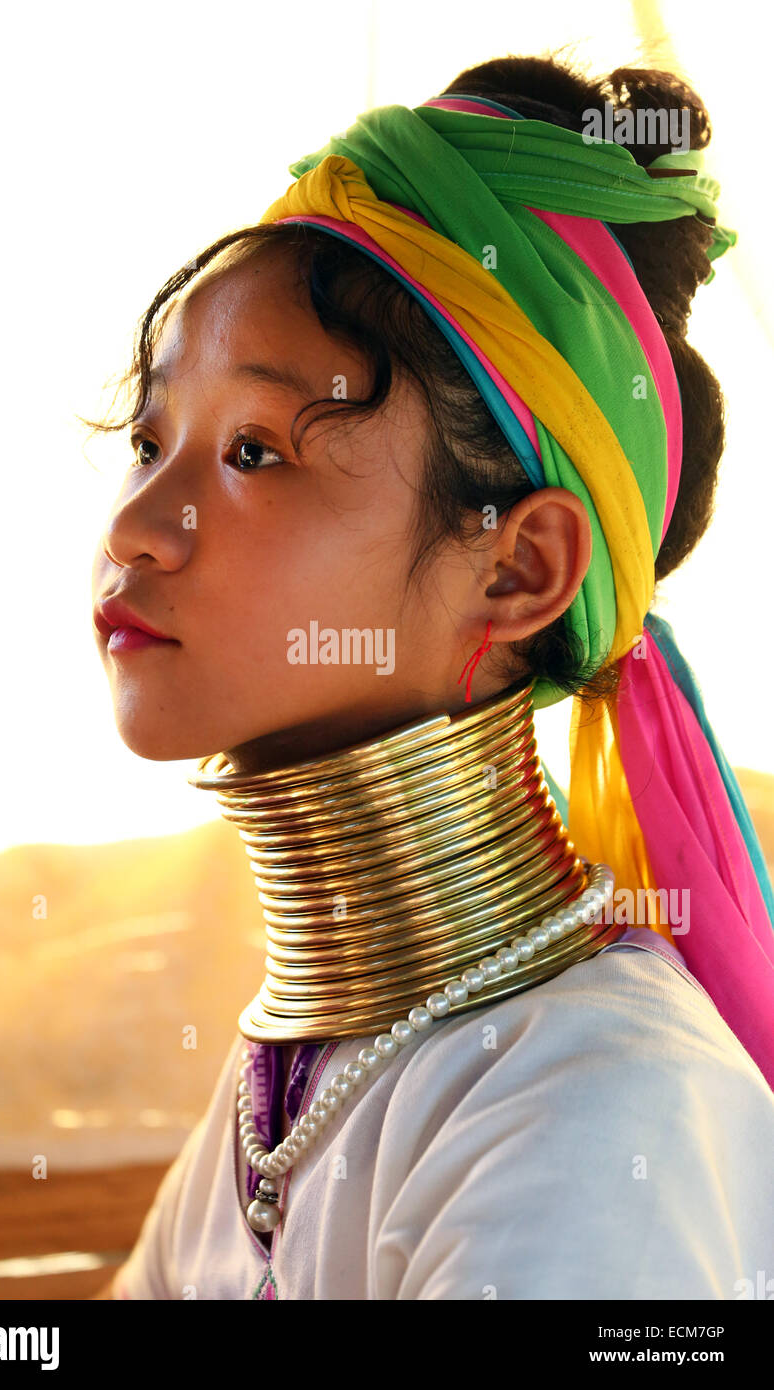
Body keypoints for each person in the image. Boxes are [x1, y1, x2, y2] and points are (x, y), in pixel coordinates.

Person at [85, 52, 774, 1300]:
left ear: (515, 568)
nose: (138, 519)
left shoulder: (597, 1110)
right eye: (148, 439)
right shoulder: (281, 1090)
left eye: (251, 448)